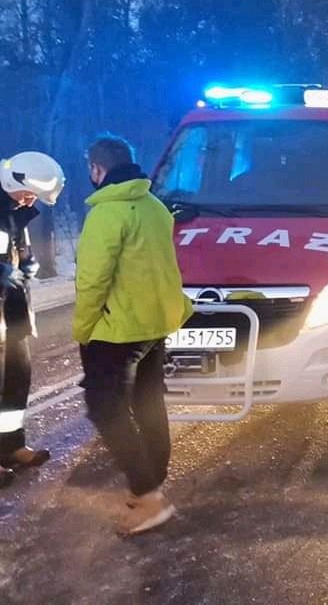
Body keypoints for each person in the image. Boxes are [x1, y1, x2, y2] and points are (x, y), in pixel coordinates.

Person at [74, 136, 192, 535]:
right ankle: (152, 485)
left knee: (104, 405)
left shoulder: (106, 214)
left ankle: (149, 497)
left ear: (97, 169)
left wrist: (84, 329)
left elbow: (92, 281)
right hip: (155, 324)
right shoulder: (155, 207)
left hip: (119, 329)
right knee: (147, 402)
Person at [0, 152, 66, 486]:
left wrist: (26, 267)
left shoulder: (14, 213)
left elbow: (16, 254)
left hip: (12, 312)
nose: (30, 200)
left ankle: (10, 446)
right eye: (27, 194)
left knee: (16, 378)